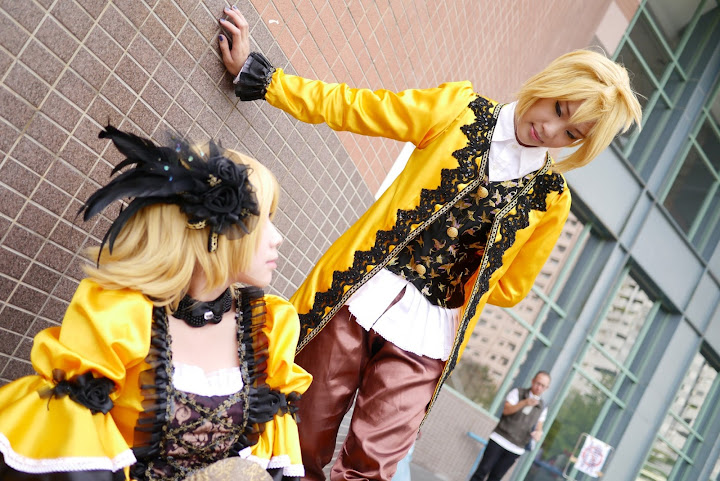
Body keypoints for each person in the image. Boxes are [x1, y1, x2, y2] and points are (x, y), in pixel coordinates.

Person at [218, 6, 642, 480]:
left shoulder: (551, 199)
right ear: (550, 84)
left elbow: (511, 288)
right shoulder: (459, 110)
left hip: (429, 336)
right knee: (300, 435)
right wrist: (266, 80)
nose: (551, 130)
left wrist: (468, 269)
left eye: (571, 134)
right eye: (559, 109)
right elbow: (357, 107)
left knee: (371, 467)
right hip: (358, 294)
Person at [0, 126, 312, 480]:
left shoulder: (268, 330)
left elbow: (269, 459)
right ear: (213, 233)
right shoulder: (120, 319)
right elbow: (71, 443)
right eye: (262, 220)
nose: (278, 238)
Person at [470, 371, 551, 481]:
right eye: (538, 383)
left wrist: (538, 434)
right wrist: (524, 403)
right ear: (533, 381)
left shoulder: (543, 407)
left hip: (516, 448)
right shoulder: (517, 392)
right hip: (499, 439)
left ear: (546, 388)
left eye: (543, 386)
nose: (539, 387)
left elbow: (539, 427)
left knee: (496, 478)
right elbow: (506, 410)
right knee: (482, 471)